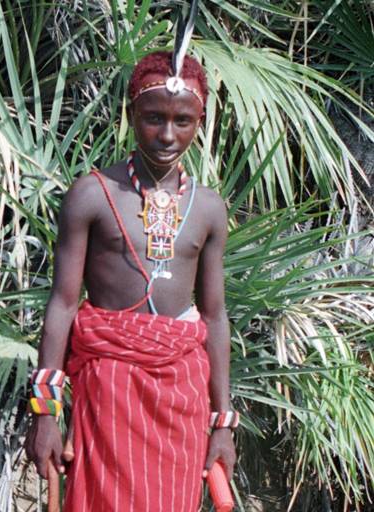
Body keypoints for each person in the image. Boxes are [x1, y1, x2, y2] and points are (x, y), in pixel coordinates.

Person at [25, 49, 238, 511]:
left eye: (183, 121)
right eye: (153, 118)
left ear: (199, 122)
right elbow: (62, 304)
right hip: (108, 390)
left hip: (181, 396)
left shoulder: (207, 209)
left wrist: (222, 423)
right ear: (129, 114)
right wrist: (44, 412)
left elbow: (216, 316)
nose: (167, 134)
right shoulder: (93, 194)